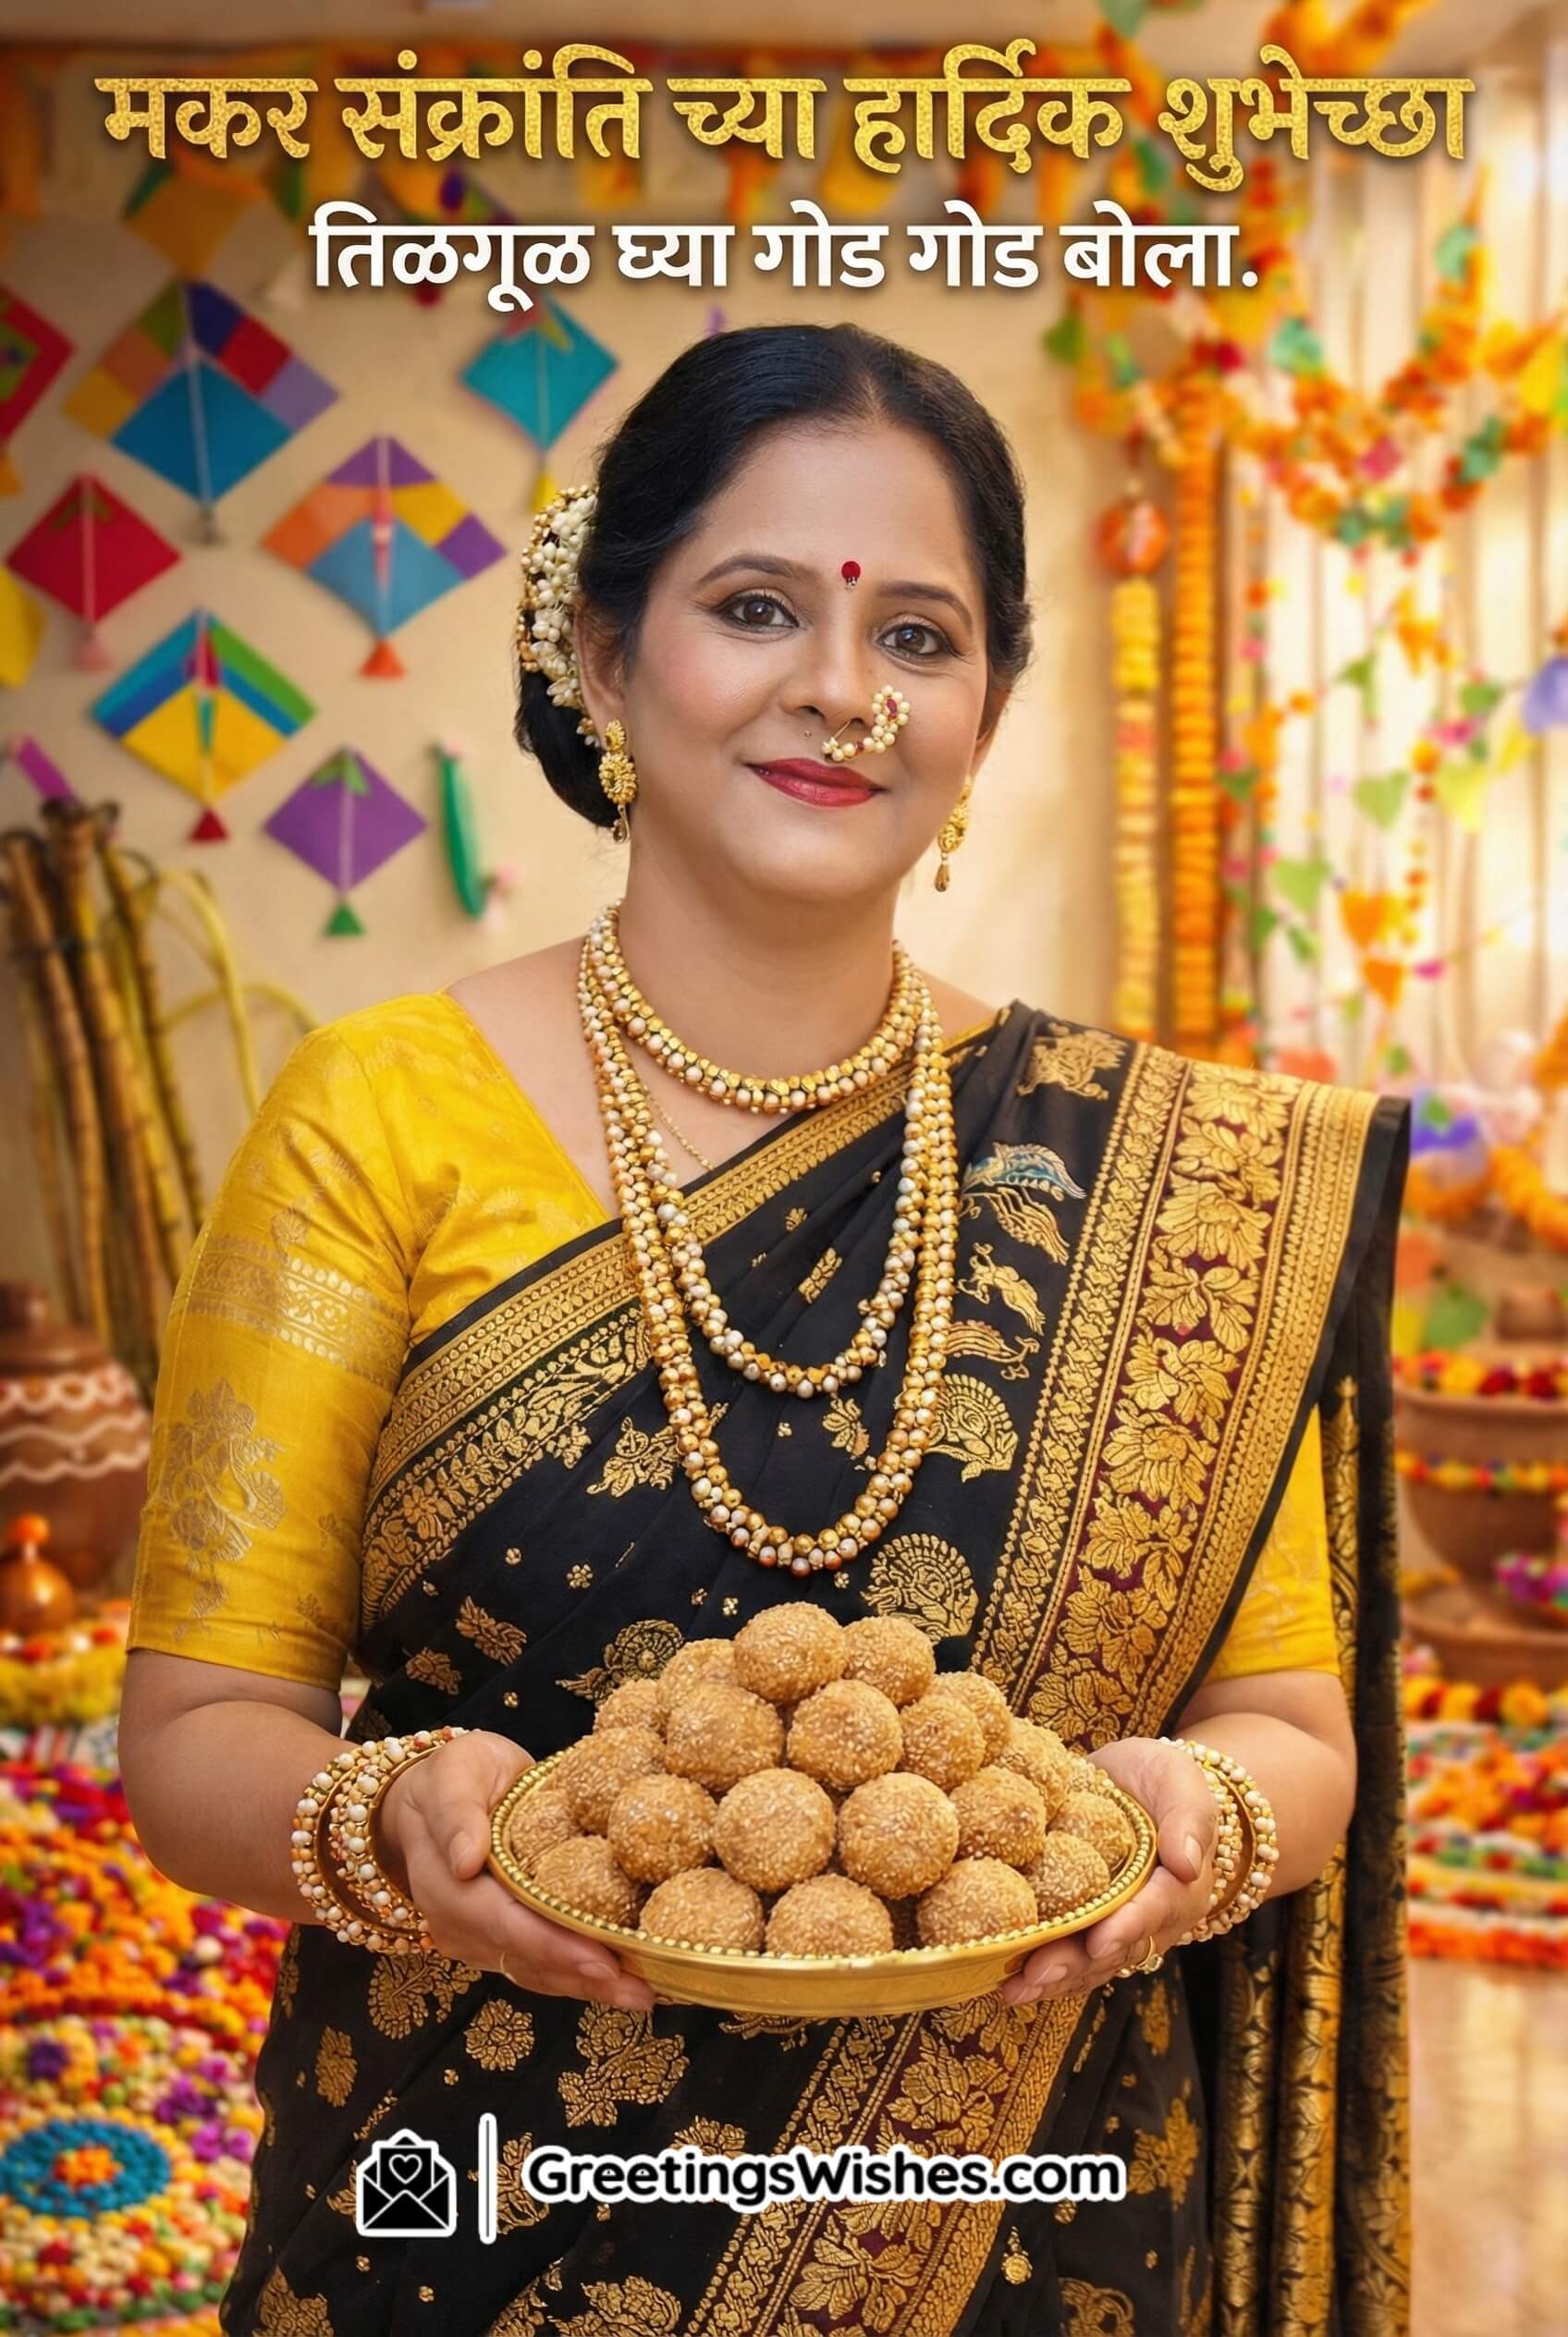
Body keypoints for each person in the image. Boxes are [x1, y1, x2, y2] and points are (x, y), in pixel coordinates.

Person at [118, 321, 1412, 2337]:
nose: (841, 690)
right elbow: (198, 1733)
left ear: (985, 707)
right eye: (753, 607)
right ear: (607, 655)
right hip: (473, 2215)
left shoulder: (1166, 1171)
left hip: (1024, 2219)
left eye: (919, 633)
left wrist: (1196, 1816)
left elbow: (1292, 1728)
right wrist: (386, 1819)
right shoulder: (374, 1118)